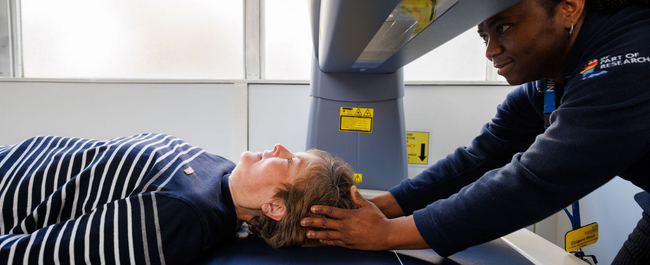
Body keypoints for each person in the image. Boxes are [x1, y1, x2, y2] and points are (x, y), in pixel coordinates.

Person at [300, 0, 650, 263]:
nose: (490, 51)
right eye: (484, 35)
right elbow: (479, 158)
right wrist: (379, 206)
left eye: (503, 28)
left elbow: (534, 180)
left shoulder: (629, 60)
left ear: (569, 7)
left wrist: (388, 232)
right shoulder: (551, 81)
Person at [0, 133, 356, 264]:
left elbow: (31, 255)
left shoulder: (179, 218)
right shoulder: (221, 173)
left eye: (290, 161)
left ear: (275, 207)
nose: (279, 147)